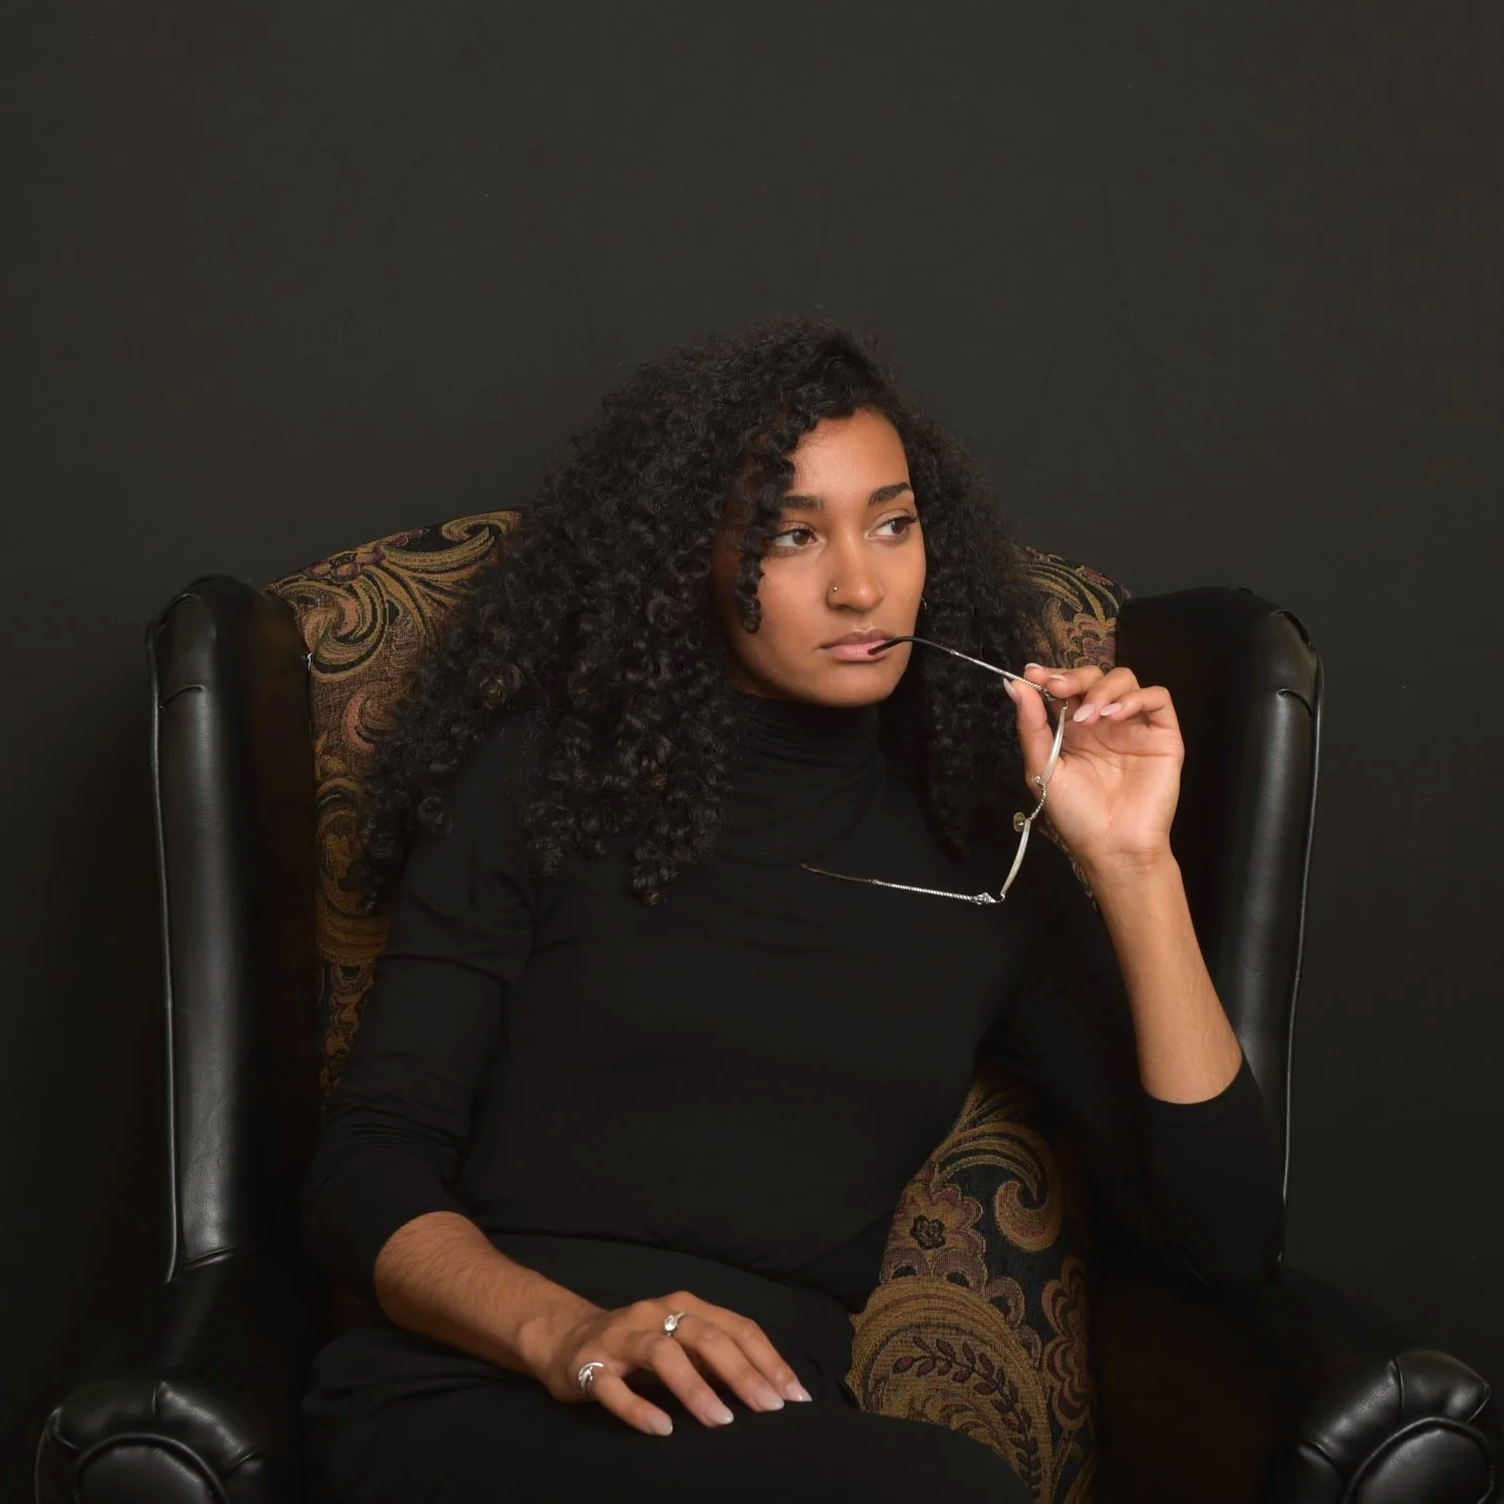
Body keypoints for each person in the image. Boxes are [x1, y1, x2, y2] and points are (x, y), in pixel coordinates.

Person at [300, 318, 1285, 1502]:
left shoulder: (984, 846)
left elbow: (1222, 1241)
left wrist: (1134, 867)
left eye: (892, 524)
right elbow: (366, 1165)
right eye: (790, 533)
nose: (860, 585)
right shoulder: (541, 782)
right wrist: (567, 1332)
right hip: (482, 1391)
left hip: (767, 1430)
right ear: (690, 558)